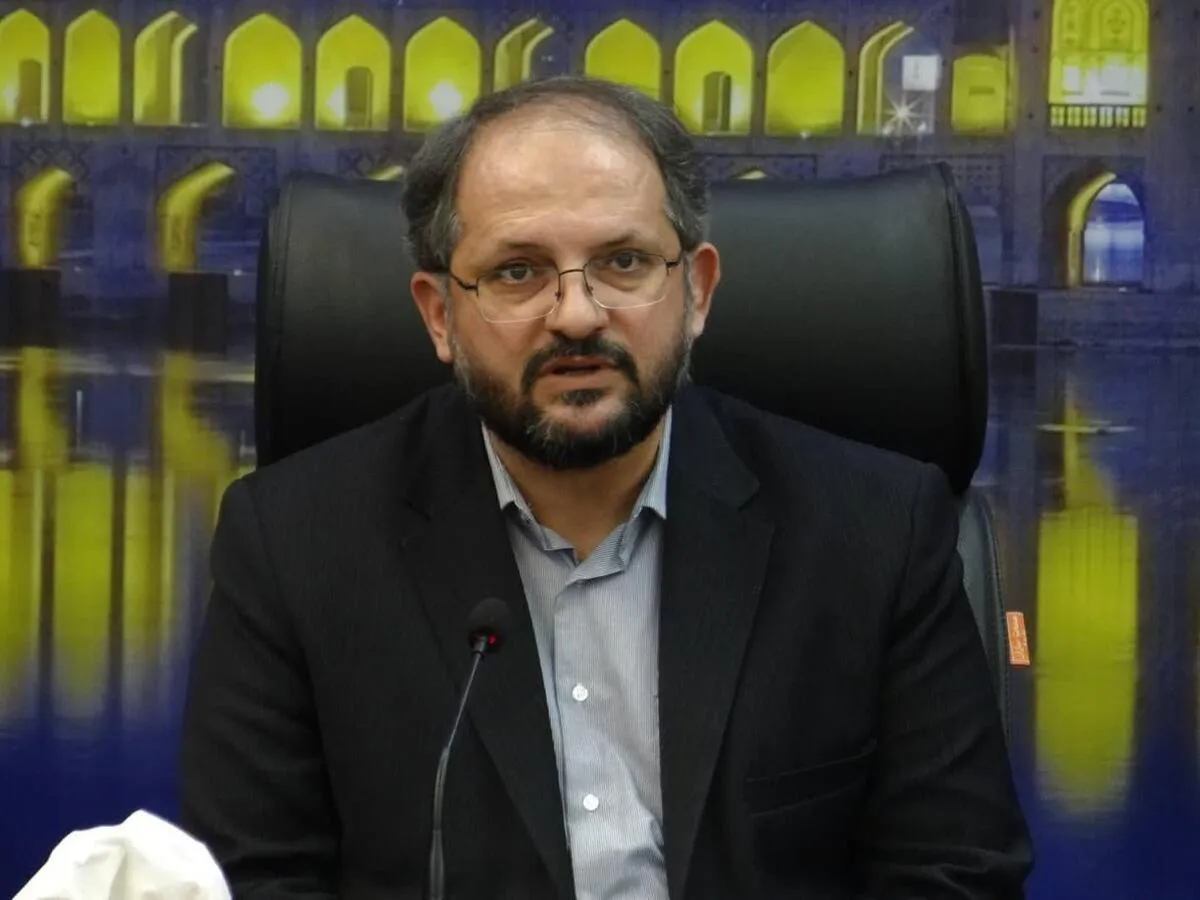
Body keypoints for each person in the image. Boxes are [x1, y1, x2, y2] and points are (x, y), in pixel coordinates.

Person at [179, 76, 1032, 899]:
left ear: (696, 292)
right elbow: (250, 881)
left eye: (623, 262)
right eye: (518, 272)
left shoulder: (877, 533)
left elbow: (956, 875)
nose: (578, 315)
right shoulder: (293, 545)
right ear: (440, 315)